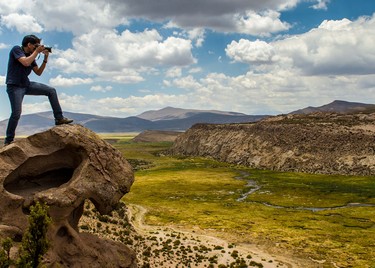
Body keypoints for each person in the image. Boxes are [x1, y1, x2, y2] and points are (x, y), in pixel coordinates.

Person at [4, 34, 73, 145]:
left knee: (51, 90)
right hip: (15, 86)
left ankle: (59, 118)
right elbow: (25, 62)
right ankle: (9, 141)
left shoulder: (32, 55)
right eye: (35, 45)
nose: (37, 47)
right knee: (16, 113)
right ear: (29, 44)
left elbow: (39, 72)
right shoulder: (16, 49)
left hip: (26, 85)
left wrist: (45, 58)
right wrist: (36, 52)